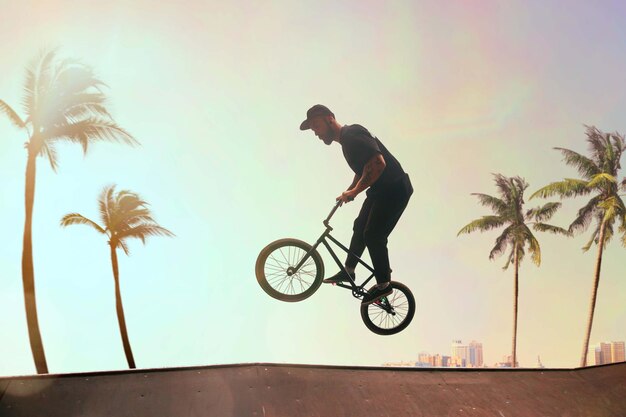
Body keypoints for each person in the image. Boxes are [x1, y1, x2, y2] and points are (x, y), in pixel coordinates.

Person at [299, 104, 413, 305]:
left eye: (316, 126)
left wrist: (354, 192)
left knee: (373, 235)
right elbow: (363, 170)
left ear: (330, 119)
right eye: (313, 130)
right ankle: (348, 271)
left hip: (394, 188)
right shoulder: (346, 144)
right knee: (359, 226)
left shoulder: (352, 134)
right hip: (380, 191)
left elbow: (378, 163)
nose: (316, 133)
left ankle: (384, 285)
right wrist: (349, 190)